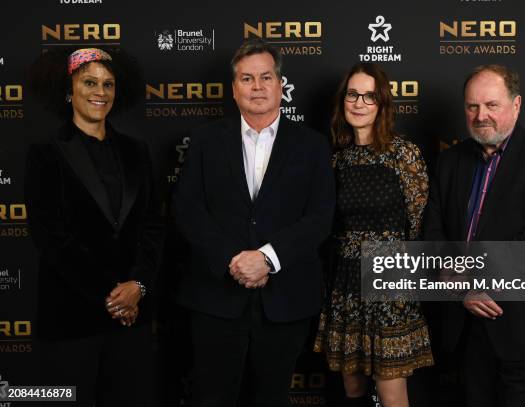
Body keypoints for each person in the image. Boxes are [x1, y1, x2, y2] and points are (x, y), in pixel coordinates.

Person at [173, 39, 335, 407]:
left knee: (272, 398)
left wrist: (267, 258)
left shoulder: (313, 145)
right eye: (247, 78)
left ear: (281, 85)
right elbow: (188, 210)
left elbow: (320, 217)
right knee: (211, 398)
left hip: (285, 301)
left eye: (265, 77)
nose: (257, 87)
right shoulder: (204, 141)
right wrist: (234, 258)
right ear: (234, 89)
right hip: (215, 298)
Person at [424, 64, 525, 407]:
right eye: (472, 106)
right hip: (469, 336)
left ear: (516, 105)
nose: (481, 116)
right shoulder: (449, 161)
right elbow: (434, 234)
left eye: (492, 105)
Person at [25, 48, 161, 406]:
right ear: (70, 90)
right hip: (72, 317)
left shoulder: (137, 151)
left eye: (108, 84)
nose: (99, 91)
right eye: (89, 82)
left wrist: (139, 285)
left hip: (132, 320)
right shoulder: (44, 153)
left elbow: (152, 225)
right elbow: (51, 237)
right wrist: (114, 296)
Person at [314, 62, 434, 407]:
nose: (359, 103)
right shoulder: (336, 159)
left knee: (391, 392)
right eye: (352, 94)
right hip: (345, 286)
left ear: (382, 104)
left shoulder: (403, 154)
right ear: (343, 100)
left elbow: (418, 221)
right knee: (351, 389)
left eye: (369, 96)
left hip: (388, 283)